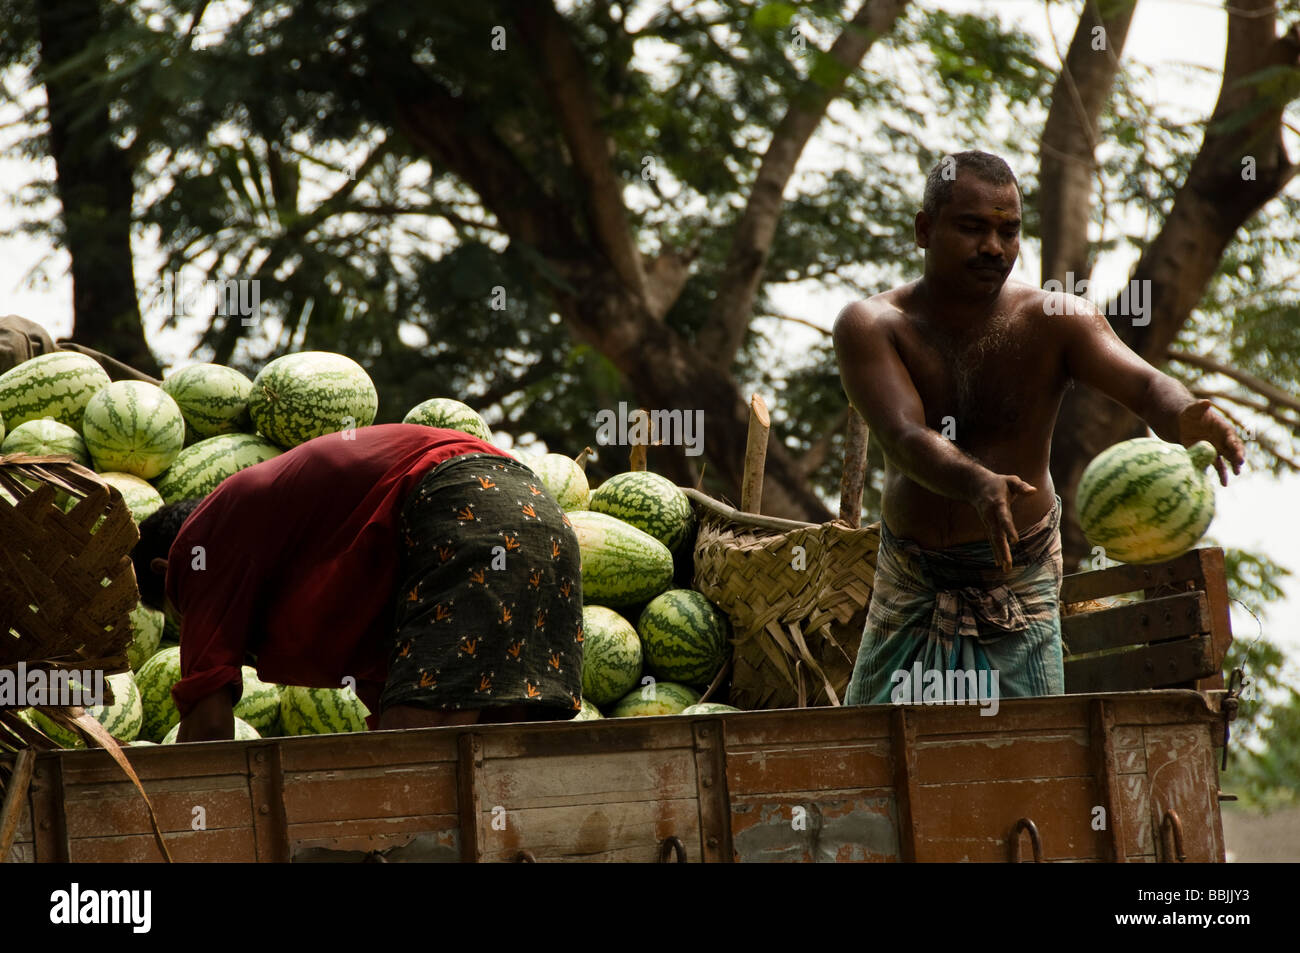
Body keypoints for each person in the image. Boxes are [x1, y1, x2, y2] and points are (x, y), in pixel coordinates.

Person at [833, 150, 1245, 706]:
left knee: (1031, 759)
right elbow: (904, 437)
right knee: (872, 761)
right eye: (972, 227)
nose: (993, 248)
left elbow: (1147, 387)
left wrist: (1183, 413)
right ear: (924, 230)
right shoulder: (873, 324)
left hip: (1018, 579)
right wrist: (977, 484)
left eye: (1009, 231)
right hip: (913, 577)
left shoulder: (1056, 319)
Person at [132, 423, 584, 741]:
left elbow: (209, 725)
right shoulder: (280, 540)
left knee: (411, 756)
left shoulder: (197, 544)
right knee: (514, 731)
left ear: (163, 569)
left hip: (463, 501)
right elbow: (399, 678)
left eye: (182, 612)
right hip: (540, 508)